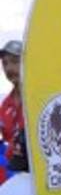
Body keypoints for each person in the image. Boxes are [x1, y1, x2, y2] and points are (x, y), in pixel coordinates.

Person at [1, 40, 27, 173]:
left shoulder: (39, 98)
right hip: (14, 173)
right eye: (5, 63)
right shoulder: (5, 105)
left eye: (15, 61)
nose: (9, 68)